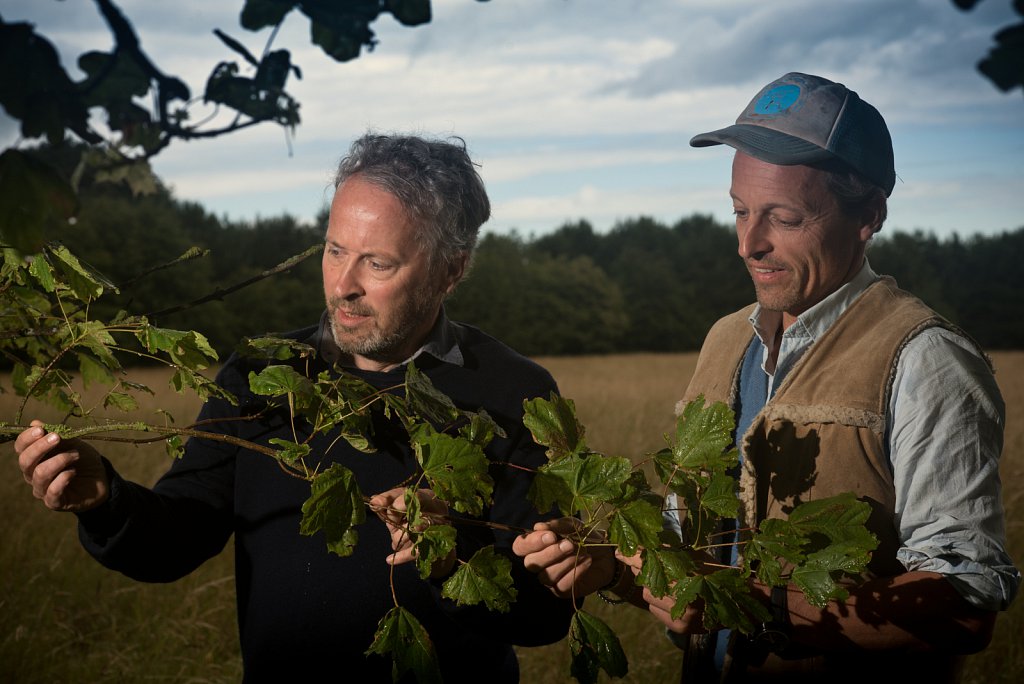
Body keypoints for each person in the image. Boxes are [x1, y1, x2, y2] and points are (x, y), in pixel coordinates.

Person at [513, 72, 1020, 682]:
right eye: (740, 211)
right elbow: (690, 556)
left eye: (783, 217)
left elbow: (965, 606)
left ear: (868, 216)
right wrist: (611, 567)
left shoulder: (925, 358)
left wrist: (756, 604)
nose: (748, 244)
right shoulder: (726, 339)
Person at [16, 132, 574, 682]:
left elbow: (544, 613)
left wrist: (450, 551)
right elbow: (179, 536)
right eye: (334, 251)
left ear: (451, 269)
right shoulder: (263, 373)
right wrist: (103, 501)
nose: (343, 286)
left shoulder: (514, 393)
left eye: (377, 264)